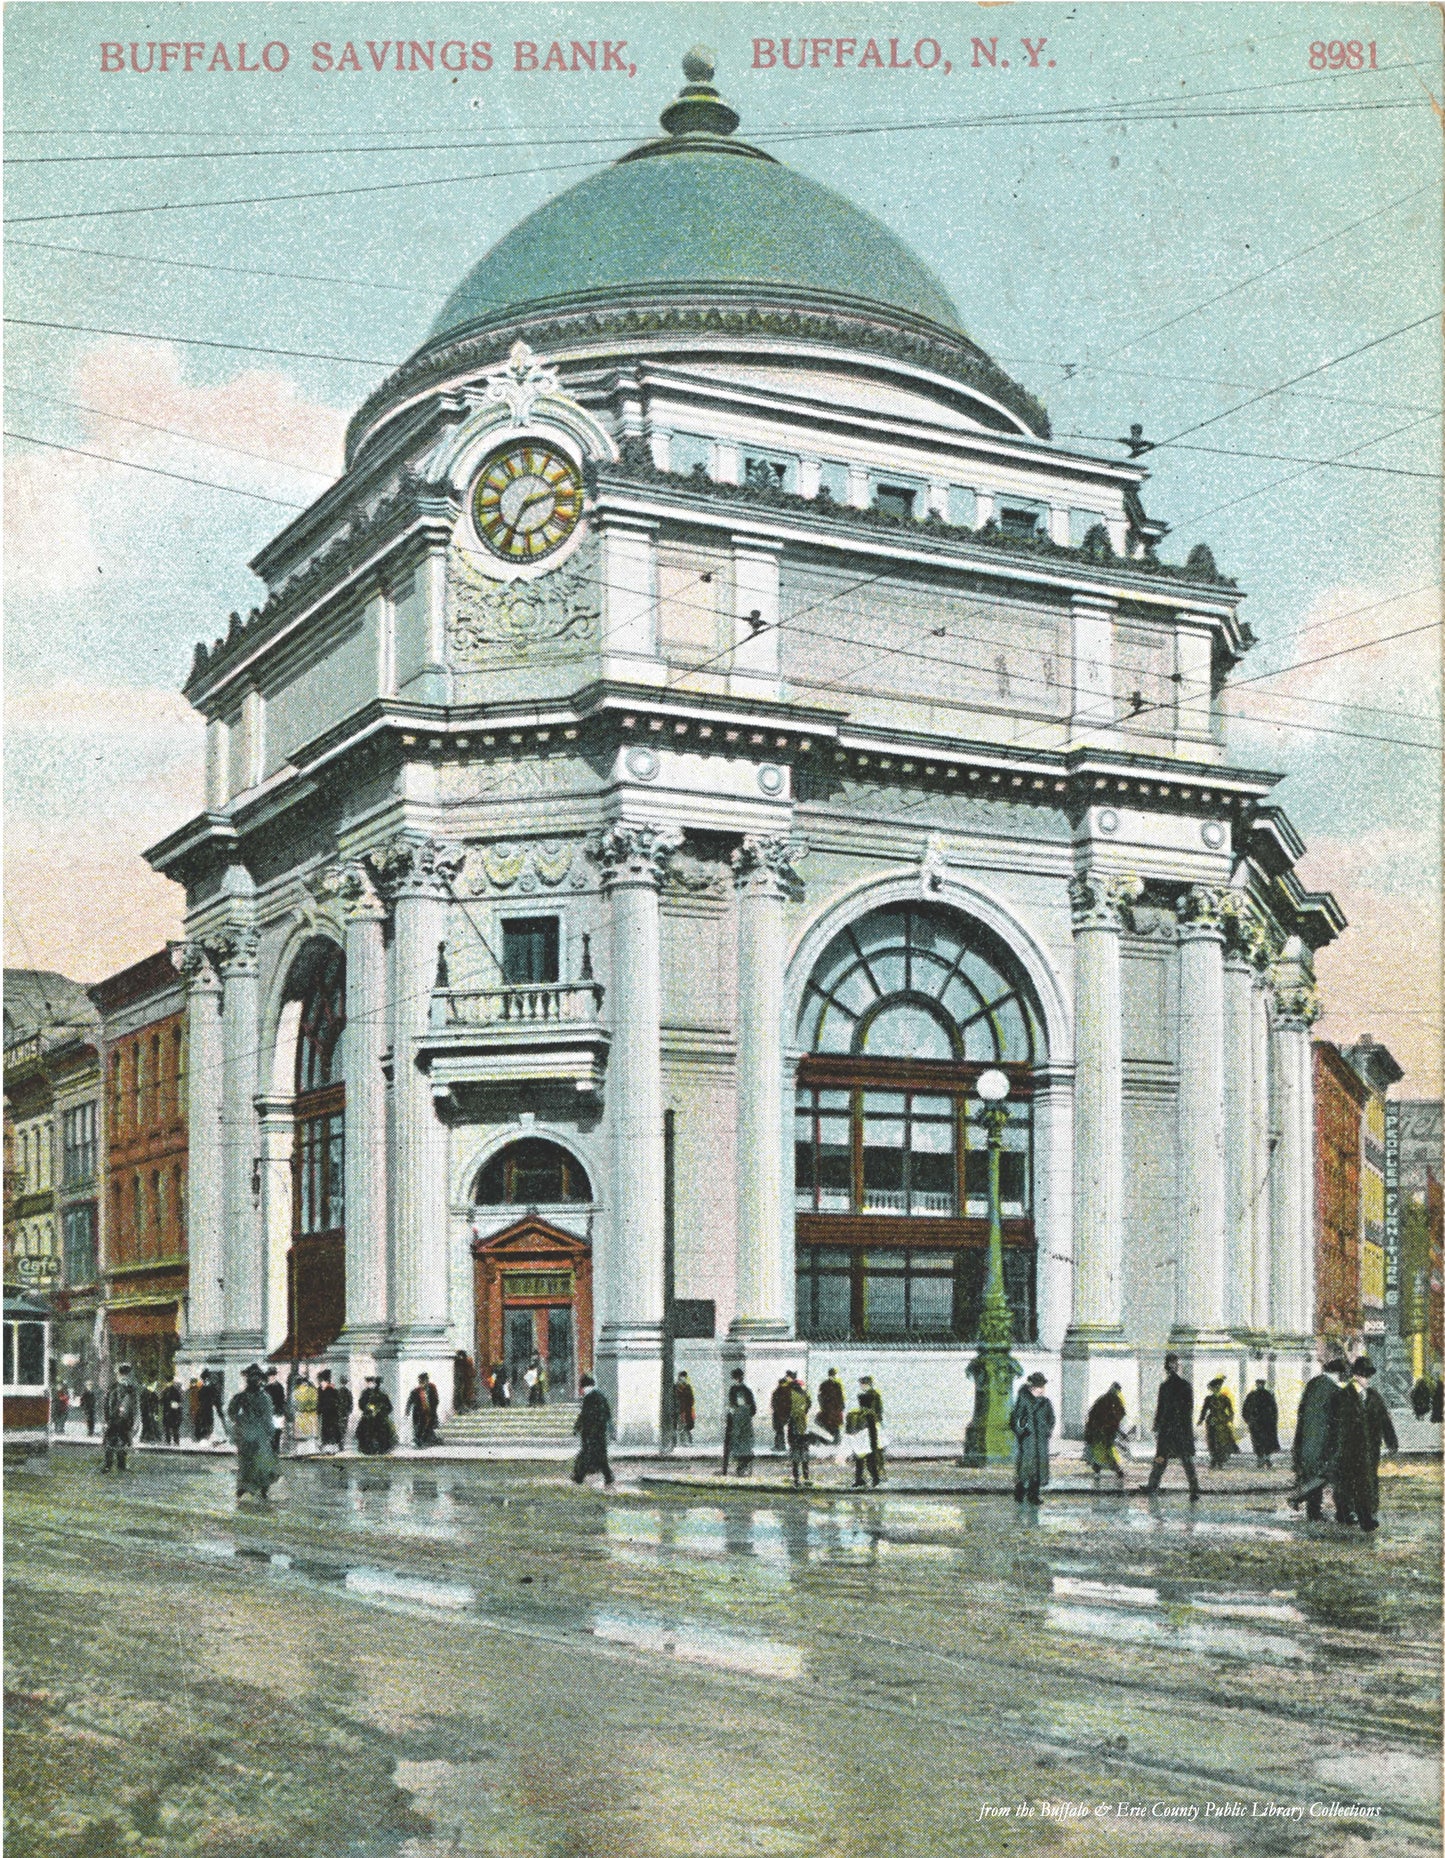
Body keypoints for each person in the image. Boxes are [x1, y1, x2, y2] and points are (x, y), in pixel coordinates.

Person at [1334, 1358, 1398, 1533]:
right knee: (1350, 1482)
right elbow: (1336, 1425)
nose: (1367, 1379)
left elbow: (1385, 1420)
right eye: (1364, 1375)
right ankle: (1352, 1515)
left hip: (1371, 1449)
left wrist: (1391, 1441)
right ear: (1355, 1375)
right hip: (1350, 1449)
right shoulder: (1344, 1396)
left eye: (1368, 1375)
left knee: (1367, 1481)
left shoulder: (1374, 1396)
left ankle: (1364, 1516)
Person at [1290, 1359, 1347, 1520]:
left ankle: (1312, 1512)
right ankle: (1342, 1513)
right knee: (1333, 1476)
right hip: (1325, 1443)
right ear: (1340, 1374)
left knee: (1313, 1475)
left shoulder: (1312, 1385)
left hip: (1307, 1440)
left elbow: (1300, 1413)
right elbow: (1338, 1422)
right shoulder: (1335, 1391)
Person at [1145, 1353, 1200, 1498]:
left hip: (1168, 1429)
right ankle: (1194, 1489)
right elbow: (1188, 1410)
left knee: (1162, 1458)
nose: (1171, 1367)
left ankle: (1152, 1486)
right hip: (1179, 1429)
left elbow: (1161, 1408)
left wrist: (1157, 1425)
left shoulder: (1166, 1386)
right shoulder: (1184, 1385)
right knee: (1185, 1459)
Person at [227, 1364, 280, 1501]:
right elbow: (268, 1418)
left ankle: (245, 1487)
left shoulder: (241, 1396)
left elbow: (231, 1412)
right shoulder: (264, 1397)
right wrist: (270, 1432)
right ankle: (261, 1489)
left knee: (246, 1462)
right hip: (259, 1434)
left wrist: (240, 1421)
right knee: (261, 1461)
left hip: (245, 1433)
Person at [1009, 1372, 1055, 1504]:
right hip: (1028, 1439)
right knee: (1026, 1467)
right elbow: (1015, 1419)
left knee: (1039, 1468)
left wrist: (1047, 1431)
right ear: (1031, 1388)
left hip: (1040, 1439)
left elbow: (1051, 1419)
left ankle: (1034, 1495)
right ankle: (1020, 1491)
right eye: (1038, 1387)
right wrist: (1022, 1432)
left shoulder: (1046, 1402)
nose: (1041, 1390)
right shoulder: (1023, 1400)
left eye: (1042, 1387)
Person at [571, 1374, 614, 1486]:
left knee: (587, 1455)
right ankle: (607, 1477)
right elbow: (604, 1415)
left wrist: (582, 1427)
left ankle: (578, 1477)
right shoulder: (597, 1396)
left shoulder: (592, 1397)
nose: (582, 1390)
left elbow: (588, 1415)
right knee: (598, 1457)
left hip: (593, 1433)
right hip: (596, 1433)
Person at [1083, 1382, 1127, 1484]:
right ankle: (1117, 1471)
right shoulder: (1115, 1400)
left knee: (1099, 1451)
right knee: (1107, 1451)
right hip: (1105, 1431)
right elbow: (1118, 1416)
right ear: (1117, 1390)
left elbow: (1092, 1414)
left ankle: (1098, 1469)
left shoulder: (1102, 1399)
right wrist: (1120, 1432)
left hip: (1098, 1430)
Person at [101, 1364, 140, 1473]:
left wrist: (134, 1420)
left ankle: (120, 1464)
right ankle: (109, 1465)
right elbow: (106, 1404)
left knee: (122, 1442)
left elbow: (134, 1406)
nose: (124, 1377)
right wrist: (106, 1419)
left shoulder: (131, 1389)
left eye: (126, 1374)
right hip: (114, 1419)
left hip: (124, 1420)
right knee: (112, 1442)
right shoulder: (114, 1387)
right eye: (123, 1374)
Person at [1199, 1376, 1239, 1470]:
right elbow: (1204, 1410)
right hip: (1212, 1422)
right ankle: (1214, 1459)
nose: (1216, 1389)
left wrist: (1230, 1419)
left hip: (1222, 1422)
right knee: (1212, 1441)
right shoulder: (1208, 1399)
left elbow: (1231, 1410)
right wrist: (1201, 1419)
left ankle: (1220, 1461)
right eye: (1215, 1387)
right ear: (1212, 1388)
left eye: (1218, 1387)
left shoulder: (1225, 1398)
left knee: (1222, 1442)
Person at [722, 1368, 755, 1476]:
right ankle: (742, 1465)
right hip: (745, 1421)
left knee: (735, 1443)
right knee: (745, 1444)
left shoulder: (733, 1390)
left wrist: (732, 1416)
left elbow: (732, 1406)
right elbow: (753, 1409)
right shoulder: (747, 1390)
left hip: (737, 1421)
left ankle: (739, 1466)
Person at [1241, 1379, 1281, 1466]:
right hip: (1255, 1423)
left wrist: (1274, 1420)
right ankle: (1260, 1459)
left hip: (1267, 1423)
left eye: (1261, 1384)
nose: (1260, 1385)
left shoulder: (1268, 1395)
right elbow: (1245, 1408)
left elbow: (1274, 1409)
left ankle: (1267, 1458)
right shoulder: (1252, 1395)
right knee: (1257, 1441)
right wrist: (1248, 1420)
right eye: (1258, 1384)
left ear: (1263, 1385)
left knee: (1267, 1441)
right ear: (1256, 1385)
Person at [356, 1376, 396, 1455]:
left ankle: (380, 1448)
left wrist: (380, 1409)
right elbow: (361, 1405)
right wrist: (369, 1408)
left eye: (377, 1383)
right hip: (369, 1417)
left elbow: (389, 1408)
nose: (376, 1385)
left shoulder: (382, 1394)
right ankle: (368, 1448)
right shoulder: (366, 1393)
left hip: (379, 1418)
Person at [787, 1374, 812, 1488]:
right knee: (804, 1451)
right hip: (803, 1425)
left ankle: (796, 1478)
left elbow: (786, 1408)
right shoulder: (805, 1394)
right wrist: (804, 1412)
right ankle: (806, 1476)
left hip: (793, 1425)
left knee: (795, 1452)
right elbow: (809, 1404)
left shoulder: (790, 1395)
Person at [406, 1372, 438, 1446]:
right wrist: (407, 1410)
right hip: (419, 1413)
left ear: (427, 1380)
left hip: (429, 1411)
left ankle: (426, 1439)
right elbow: (410, 1401)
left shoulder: (432, 1388)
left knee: (429, 1426)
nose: (422, 1383)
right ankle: (418, 1440)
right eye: (420, 1381)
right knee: (419, 1426)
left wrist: (433, 1409)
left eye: (424, 1381)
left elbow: (435, 1400)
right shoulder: (415, 1391)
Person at [317, 1369, 345, 1453]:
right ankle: (327, 1448)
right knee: (326, 1431)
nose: (320, 1383)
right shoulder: (321, 1390)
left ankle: (331, 1449)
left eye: (321, 1381)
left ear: (325, 1381)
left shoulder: (331, 1390)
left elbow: (335, 1403)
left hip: (331, 1415)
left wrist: (321, 1409)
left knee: (331, 1431)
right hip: (326, 1415)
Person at [816, 1367, 846, 1444]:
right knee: (835, 1426)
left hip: (828, 1410)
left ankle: (833, 1441)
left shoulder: (824, 1384)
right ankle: (836, 1442)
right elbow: (840, 1398)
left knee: (827, 1424)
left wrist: (822, 1406)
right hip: (834, 1410)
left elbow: (820, 1397)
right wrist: (841, 1407)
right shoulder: (837, 1385)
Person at [293, 1371, 319, 1451]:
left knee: (302, 1437)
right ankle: (311, 1451)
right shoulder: (313, 1390)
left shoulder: (296, 1391)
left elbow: (295, 1404)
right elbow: (315, 1403)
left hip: (301, 1416)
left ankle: (301, 1451)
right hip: (310, 1416)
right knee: (310, 1436)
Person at [264, 1365, 286, 1454]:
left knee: (277, 1432)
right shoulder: (267, 1388)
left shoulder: (278, 1387)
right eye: (270, 1376)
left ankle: (275, 1450)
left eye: (272, 1375)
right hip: (272, 1413)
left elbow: (282, 1400)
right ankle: (272, 1450)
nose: (271, 1377)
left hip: (277, 1413)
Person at [770, 1376, 793, 1453]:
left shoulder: (777, 1392)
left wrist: (776, 1410)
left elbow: (773, 1404)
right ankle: (784, 1446)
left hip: (778, 1414)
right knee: (783, 1430)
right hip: (786, 1414)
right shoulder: (789, 1391)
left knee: (779, 1430)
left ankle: (779, 1446)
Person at [160, 1375, 184, 1446]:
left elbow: (161, 1401)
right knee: (174, 1428)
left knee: (169, 1428)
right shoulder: (175, 1390)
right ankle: (175, 1442)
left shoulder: (165, 1390)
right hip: (173, 1412)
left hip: (169, 1412)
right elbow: (180, 1400)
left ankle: (169, 1442)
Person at [673, 1370, 696, 1443]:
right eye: (682, 1377)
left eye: (684, 1377)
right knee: (680, 1427)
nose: (683, 1378)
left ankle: (688, 1442)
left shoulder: (687, 1386)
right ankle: (680, 1442)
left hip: (685, 1410)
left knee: (686, 1427)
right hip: (680, 1410)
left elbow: (691, 1399)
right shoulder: (676, 1387)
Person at [453, 1350, 477, 1414]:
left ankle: (466, 1407)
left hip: (465, 1381)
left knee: (466, 1394)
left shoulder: (463, 1362)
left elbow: (472, 1373)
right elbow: (473, 1373)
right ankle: (465, 1408)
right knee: (465, 1394)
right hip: (464, 1381)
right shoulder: (466, 1362)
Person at [139, 1378, 161, 1444]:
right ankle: (148, 1438)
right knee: (149, 1425)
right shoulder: (148, 1393)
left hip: (149, 1412)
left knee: (149, 1425)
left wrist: (156, 1413)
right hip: (148, 1412)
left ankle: (147, 1438)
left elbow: (156, 1404)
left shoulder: (151, 1393)